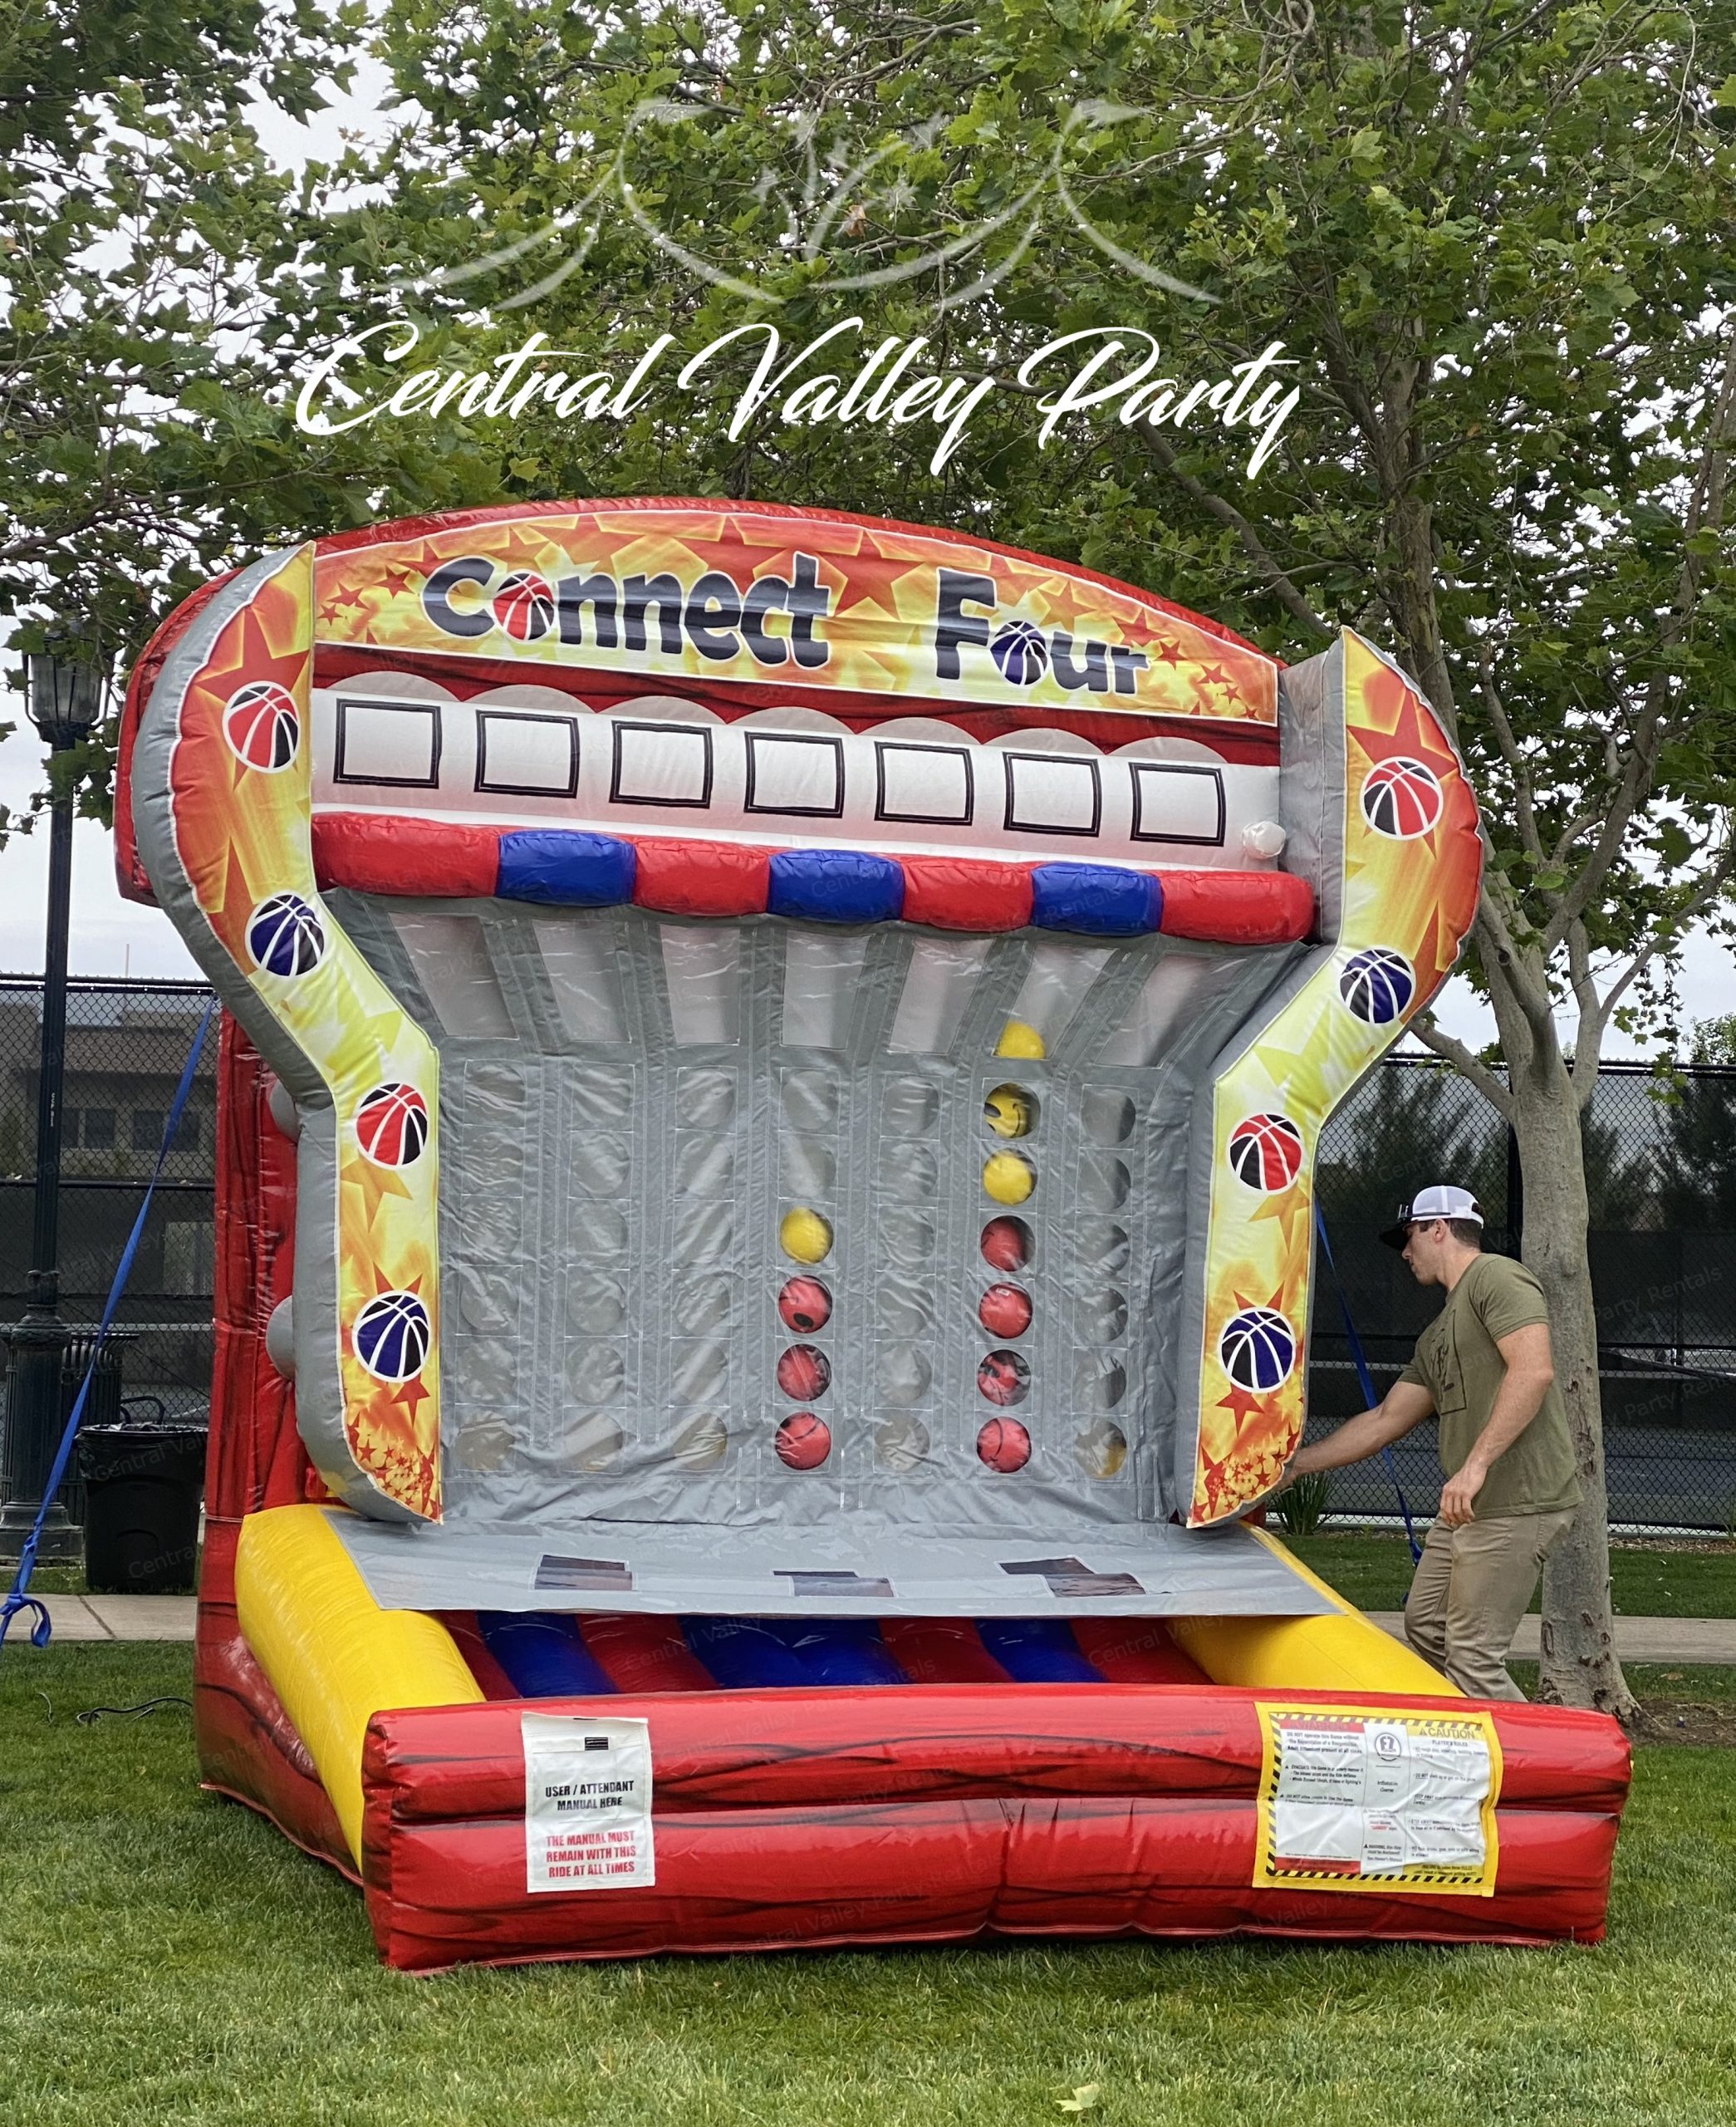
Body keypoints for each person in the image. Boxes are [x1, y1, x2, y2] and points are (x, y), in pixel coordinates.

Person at [1287, 1184, 1583, 1699]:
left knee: (1471, 1659)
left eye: (1410, 1237)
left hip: (1516, 1502)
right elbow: (1383, 1420)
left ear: (1438, 1228)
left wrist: (1475, 1466)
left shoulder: (1497, 1277)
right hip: (1469, 1507)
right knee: (1427, 1625)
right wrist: (1296, 1466)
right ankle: (1484, 1745)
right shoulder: (1438, 1332)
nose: (1405, 1252)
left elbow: (1534, 1372)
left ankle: (1540, 1766)